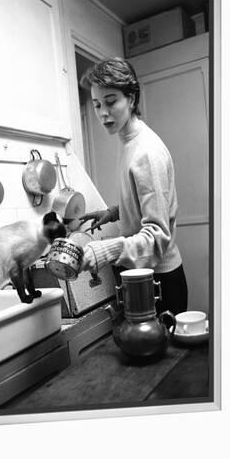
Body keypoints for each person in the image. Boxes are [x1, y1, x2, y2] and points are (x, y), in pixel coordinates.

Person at [79, 57, 188, 315]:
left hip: (161, 281)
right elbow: (147, 200)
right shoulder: (127, 141)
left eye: (110, 101)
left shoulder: (146, 152)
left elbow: (157, 237)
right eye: (96, 104)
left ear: (131, 98)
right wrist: (116, 212)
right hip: (144, 275)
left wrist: (105, 250)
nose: (102, 113)